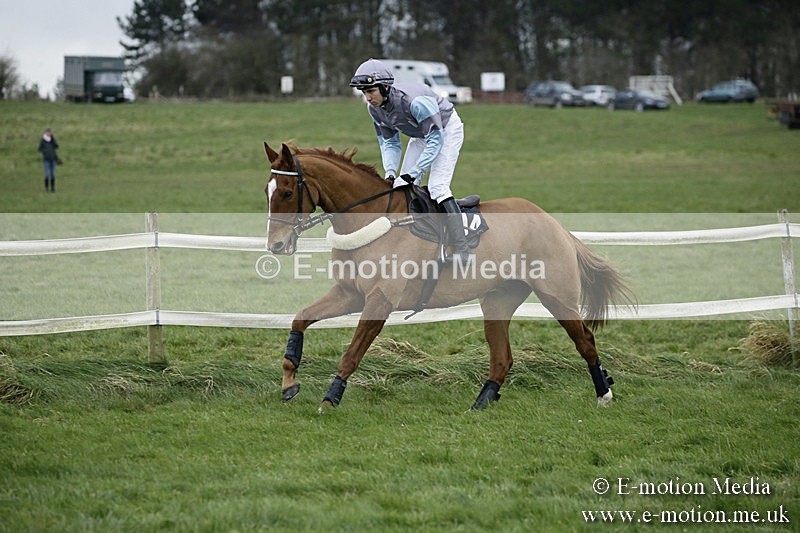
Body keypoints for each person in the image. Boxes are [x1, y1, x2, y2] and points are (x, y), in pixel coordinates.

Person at [349, 58, 471, 264]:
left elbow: (435, 139)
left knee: (438, 187)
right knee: (403, 188)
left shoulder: (415, 102)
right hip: (421, 135)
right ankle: (415, 242)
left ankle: (462, 249)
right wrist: (390, 172)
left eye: (371, 91)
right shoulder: (374, 109)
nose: (368, 97)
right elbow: (389, 143)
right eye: (364, 92)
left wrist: (413, 173)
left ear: (385, 87)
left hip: (446, 130)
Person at [37, 127, 59, 192]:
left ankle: (52, 188)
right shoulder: (42, 140)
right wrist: (45, 152)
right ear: (45, 133)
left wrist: (53, 139)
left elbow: (56, 146)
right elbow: (39, 148)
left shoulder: (52, 139)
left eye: (49, 132)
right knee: (47, 174)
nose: (49, 133)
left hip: (53, 159)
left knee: (53, 174)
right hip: (46, 159)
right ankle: (46, 188)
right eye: (47, 132)